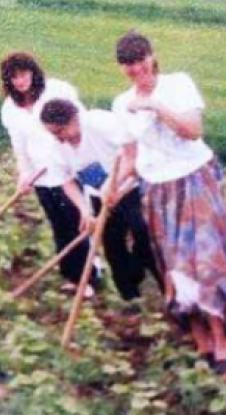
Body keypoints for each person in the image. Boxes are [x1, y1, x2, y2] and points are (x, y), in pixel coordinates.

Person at [113, 30, 226, 373]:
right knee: (176, 265)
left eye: (140, 61)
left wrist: (155, 105)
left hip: (195, 179)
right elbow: (129, 157)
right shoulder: (121, 103)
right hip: (157, 190)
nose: (136, 70)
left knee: (207, 257)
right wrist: (112, 189)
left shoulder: (177, 84)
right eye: (128, 65)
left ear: (151, 57)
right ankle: (200, 333)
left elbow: (192, 131)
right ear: (121, 68)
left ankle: (221, 335)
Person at [39, 98, 164, 301]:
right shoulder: (58, 146)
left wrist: (114, 185)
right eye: (53, 133)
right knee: (113, 248)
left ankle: (168, 290)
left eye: (60, 131)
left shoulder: (99, 123)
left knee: (143, 234)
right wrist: (84, 209)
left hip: (132, 187)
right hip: (101, 199)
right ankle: (130, 298)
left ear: (73, 120)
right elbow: (67, 181)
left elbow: (133, 155)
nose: (58, 138)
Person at [0, 51, 98, 296]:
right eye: (14, 78)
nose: (20, 81)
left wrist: (83, 158)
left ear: (33, 72)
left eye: (23, 74)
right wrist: (25, 173)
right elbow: (19, 146)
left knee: (77, 220)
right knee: (58, 224)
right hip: (41, 173)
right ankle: (71, 274)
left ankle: (89, 275)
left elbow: (80, 125)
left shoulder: (57, 91)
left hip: (68, 165)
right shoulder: (10, 109)